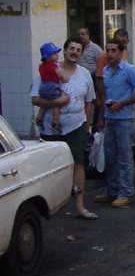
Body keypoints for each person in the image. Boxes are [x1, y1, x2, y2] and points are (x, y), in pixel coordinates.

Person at [30, 37, 97, 220]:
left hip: (77, 126)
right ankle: (48, 208)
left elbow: (89, 103)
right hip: (52, 131)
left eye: (78, 50)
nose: (75, 52)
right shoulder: (51, 70)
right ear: (65, 52)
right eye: (71, 49)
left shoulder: (84, 74)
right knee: (50, 168)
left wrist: (87, 127)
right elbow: (35, 99)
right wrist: (57, 102)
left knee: (78, 165)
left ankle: (80, 207)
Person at [94, 38, 135, 208]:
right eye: (108, 50)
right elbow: (104, 97)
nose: (110, 54)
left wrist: (122, 103)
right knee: (110, 155)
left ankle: (126, 192)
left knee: (124, 156)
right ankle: (112, 189)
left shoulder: (129, 70)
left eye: (113, 51)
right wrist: (101, 118)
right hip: (110, 119)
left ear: (121, 52)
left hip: (124, 118)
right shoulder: (106, 71)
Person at [35, 42, 71, 132]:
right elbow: (59, 76)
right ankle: (55, 123)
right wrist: (64, 79)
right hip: (52, 86)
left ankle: (38, 118)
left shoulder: (41, 66)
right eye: (54, 54)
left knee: (45, 104)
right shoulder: (53, 66)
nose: (57, 55)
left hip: (43, 86)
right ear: (47, 56)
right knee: (57, 104)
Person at [94, 28, 128, 110]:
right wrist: (103, 100)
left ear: (127, 42)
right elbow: (99, 79)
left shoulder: (124, 52)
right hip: (106, 101)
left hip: (119, 100)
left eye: (123, 41)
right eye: (118, 41)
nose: (121, 44)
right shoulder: (103, 56)